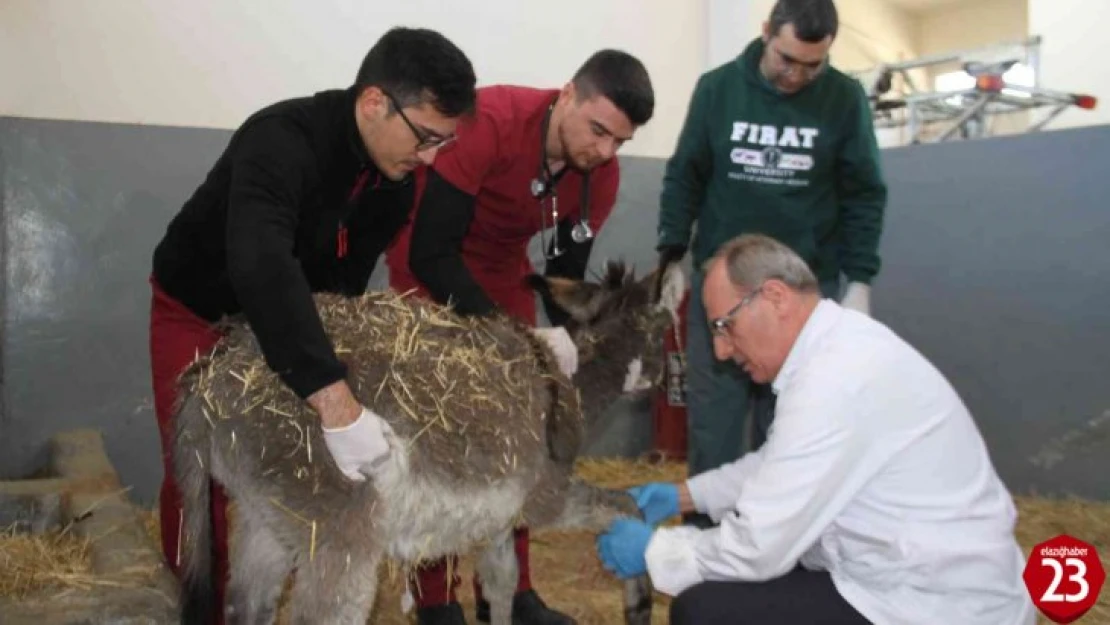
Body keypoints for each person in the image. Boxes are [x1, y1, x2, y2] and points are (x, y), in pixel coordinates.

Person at [147, 27, 478, 624]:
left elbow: (338, 294)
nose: (429, 158)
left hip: (290, 320)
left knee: (302, 468)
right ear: (376, 102)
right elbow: (260, 264)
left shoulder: (395, 184)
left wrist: (344, 384)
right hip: (201, 309)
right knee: (196, 470)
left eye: (442, 144)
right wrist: (336, 402)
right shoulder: (280, 138)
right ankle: (197, 610)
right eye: (426, 136)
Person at [596, 233, 1036, 624]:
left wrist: (655, 551)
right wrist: (684, 495)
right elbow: (781, 464)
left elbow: (757, 548)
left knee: (704, 611)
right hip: (908, 579)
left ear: (775, 297)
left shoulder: (835, 379)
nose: (721, 349)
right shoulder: (837, 351)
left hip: (933, 604)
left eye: (724, 326)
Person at [384, 49, 655, 625]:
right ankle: (434, 599)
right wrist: (516, 337)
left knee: (527, 436)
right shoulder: (493, 122)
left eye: (620, 142)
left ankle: (511, 593)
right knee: (442, 436)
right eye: (599, 130)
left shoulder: (599, 174)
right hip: (429, 267)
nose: (604, 152)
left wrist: (585, 347)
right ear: (566, 97)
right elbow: (433, 250)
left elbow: (566, 278)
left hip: (502, 272)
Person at [654, 0, 889, 519]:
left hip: (802, 297)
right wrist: (672, 253)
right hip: (723, 291)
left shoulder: (844, 99)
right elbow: (685, 174)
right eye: (787, 59)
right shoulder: (718, 89)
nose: (797, 75)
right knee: (714, 423)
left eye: (813, 64)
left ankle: (780, 535)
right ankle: (705, 541)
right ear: (766, 34)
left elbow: (864, 193)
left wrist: (861, 281)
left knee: (793, 424)